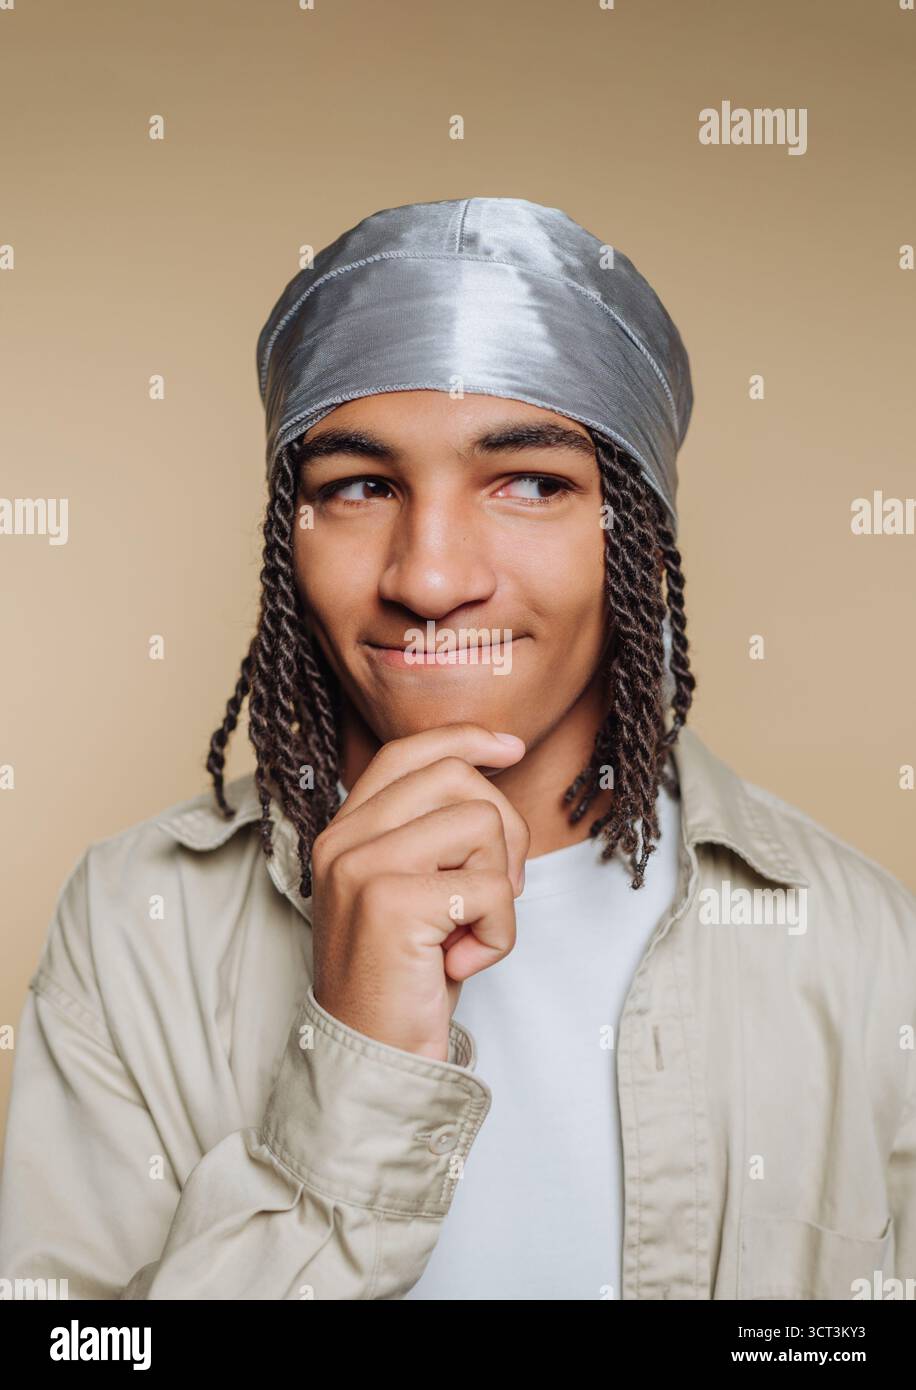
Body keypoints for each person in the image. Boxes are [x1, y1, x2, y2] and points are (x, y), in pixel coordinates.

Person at [0, 197, 913, 1302]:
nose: (429, 577)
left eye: (530, 481)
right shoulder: (134, 919)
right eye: (360, 486)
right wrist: (355, 1056)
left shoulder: (860, 941)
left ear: (641, 534)